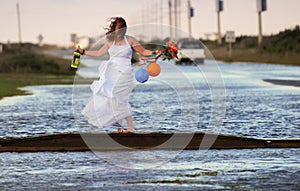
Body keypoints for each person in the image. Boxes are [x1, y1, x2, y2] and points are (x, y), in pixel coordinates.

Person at [76, 17, 153, 133]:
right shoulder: (110, 42)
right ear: (114, 29)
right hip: (111, 74)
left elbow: (143, 51)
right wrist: (84, 52)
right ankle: (120, 128)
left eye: (123, 27)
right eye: (119, 28)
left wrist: (159, 52)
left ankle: (130, 128)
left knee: (122, 99)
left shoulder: (130, 40)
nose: (121, 30)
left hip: (125, 74)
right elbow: (98, 53)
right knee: (113, 100)